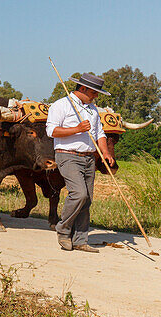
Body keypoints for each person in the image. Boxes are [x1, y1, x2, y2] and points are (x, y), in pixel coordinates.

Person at [46, 72, 116, 253]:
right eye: (94, 92)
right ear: (83, 88)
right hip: (67, 155)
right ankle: (63, 229)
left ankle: (80, 240)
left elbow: (99, 133)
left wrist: (106, 152)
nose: (96, 96)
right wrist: (76, 129)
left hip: (88, 158)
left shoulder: (92, 109)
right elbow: (51, 131)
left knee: (87, 200)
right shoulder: (61, 105)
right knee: (79, 194)